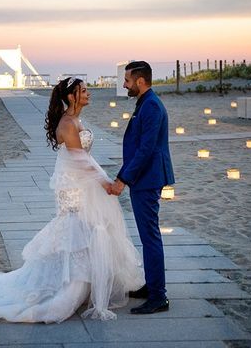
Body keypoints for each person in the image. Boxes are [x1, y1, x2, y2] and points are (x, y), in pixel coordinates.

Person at [0, 77, 145, 323]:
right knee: (76, 228)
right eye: (84, 91)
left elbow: (83, 157)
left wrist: (102, 180)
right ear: (71, 96)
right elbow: (80, 159)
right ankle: (70, 285)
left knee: (86, 228)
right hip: (74, 185)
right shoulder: (67, 123)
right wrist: (105, 182)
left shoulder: (76, 119)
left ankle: (84, 282)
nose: (88, 94)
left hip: (81, 180)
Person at [106, 61, 175, 314]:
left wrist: (123, 179)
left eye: (127, 80)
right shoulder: (145, 103)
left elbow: (146, 149)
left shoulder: (152, 106)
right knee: (148, 237)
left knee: (150, 238)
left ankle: (158, 296)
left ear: (140, 81)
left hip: (147, 179)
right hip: (144, 178)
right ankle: (152, 285)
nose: (124, 84)